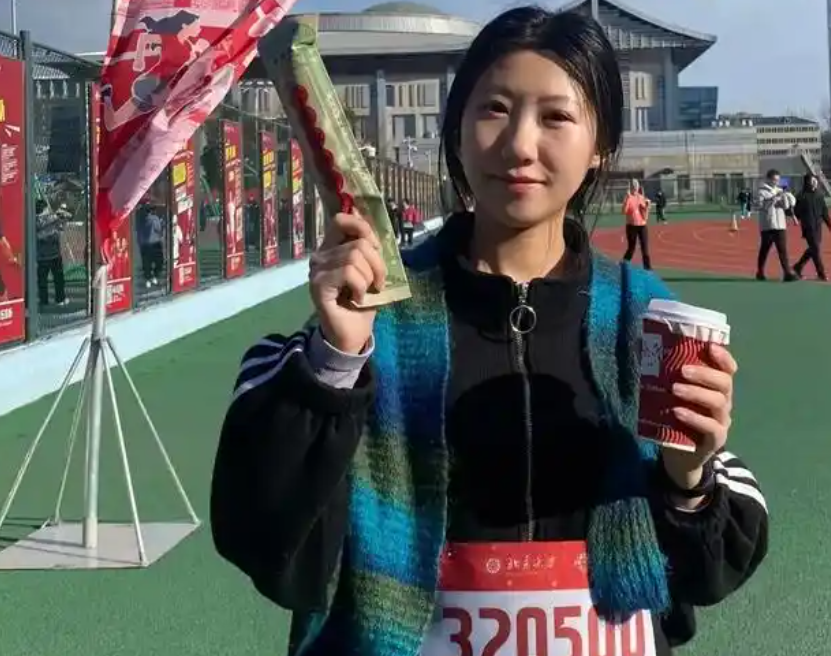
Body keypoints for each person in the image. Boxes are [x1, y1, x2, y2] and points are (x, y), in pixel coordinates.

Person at [210, 7, 768, 656]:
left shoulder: (643, 317)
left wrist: (689, 478)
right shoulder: (373, 312)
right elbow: (263, 536)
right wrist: (334, 361)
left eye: (556, 117)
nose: (520, 145)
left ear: (600, 146)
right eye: (495, 109)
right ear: (456, 132)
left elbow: (707, 570)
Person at [756, 169, 798, 281]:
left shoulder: (780, 190)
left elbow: (787, 205)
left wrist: (788, 197)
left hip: (780, 225)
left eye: (778, 180)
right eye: (774, 180)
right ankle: (760, 271)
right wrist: (773, 199)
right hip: (768, 225)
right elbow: (761, 206)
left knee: (782, 249)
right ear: (768, 179)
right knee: (765, 250)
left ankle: (787, 273)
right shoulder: (762, 191)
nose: (776, 182)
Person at [793, 172, 830, 281]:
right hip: (808, 227)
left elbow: (824, 212)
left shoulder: (819, 195)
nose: (815, 182)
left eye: (815, 180)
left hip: (818, 226)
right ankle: (821, 273)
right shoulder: (801, 196)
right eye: (812, 180)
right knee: (816, 249)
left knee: (813, 249)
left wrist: (829, 225)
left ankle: (798, 267)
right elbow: (796, 213)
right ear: (807, 182)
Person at [622, 178, 652, 269]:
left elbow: (645, 216)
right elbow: (623, 211)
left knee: (645, 249)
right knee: (631, 248)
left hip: (642, 226)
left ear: (638, 187)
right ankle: (623, 265)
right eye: (633, 186)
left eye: (636, 186)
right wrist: (627, 198)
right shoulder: (628, 197)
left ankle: (648, 268)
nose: (635, 188)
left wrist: (648, 207)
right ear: (630, 188)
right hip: (631, 226)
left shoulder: (641, 197)